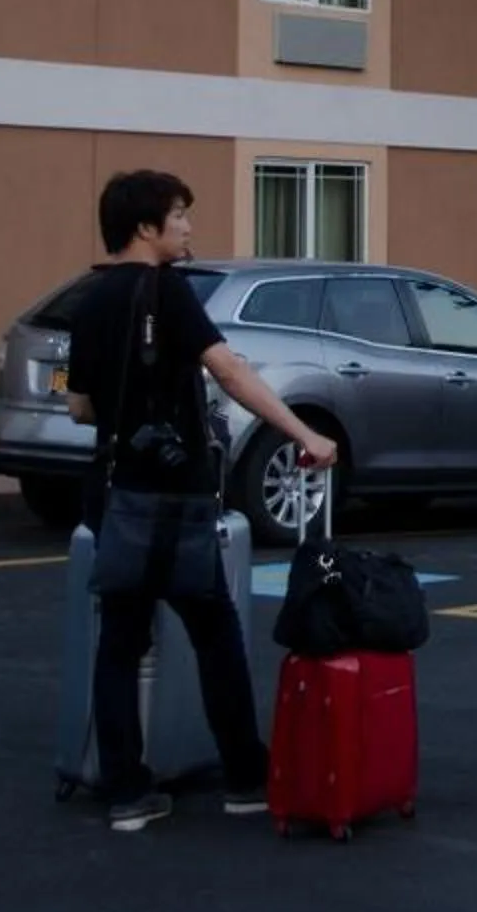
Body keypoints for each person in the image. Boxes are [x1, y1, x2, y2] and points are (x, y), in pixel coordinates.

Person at [65, 169, 337, 835]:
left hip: (117, 491)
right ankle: (245, 777)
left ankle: (126, 791)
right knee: (215, 632)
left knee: (120, 644)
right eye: (179, 216)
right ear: (144, 227)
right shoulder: (171, 293)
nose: (188, 227)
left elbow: (78, 403)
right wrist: (304, 432)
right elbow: (230, 369)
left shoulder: (89, 299)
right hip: (178, 498)